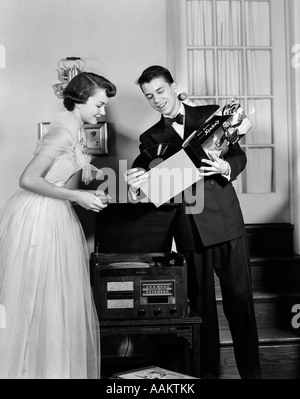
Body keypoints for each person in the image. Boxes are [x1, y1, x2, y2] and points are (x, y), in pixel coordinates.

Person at [125, 65, 261, 379]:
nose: (156, 100)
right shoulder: (149, 138)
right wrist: (136, 182)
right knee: (203, 317)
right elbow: (148, 185)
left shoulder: (210, 115)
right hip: (189, 231)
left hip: (226, 224)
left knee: (241, 307)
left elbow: (238, 156)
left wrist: (224, 166)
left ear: (174, 87)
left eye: (160, 91)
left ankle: (253, 376)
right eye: (149, 96)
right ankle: (209, 375)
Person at [0, 72, 116, 379]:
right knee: (34, 302)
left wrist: (85, 195)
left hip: (56, 215)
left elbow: (61, 181)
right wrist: (76, 195)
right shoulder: (64, 130)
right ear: (80, 100)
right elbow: (27, 180)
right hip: (37, 218)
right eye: (99, 104)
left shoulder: (77, 130)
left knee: (55, 303)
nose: (102, 112)